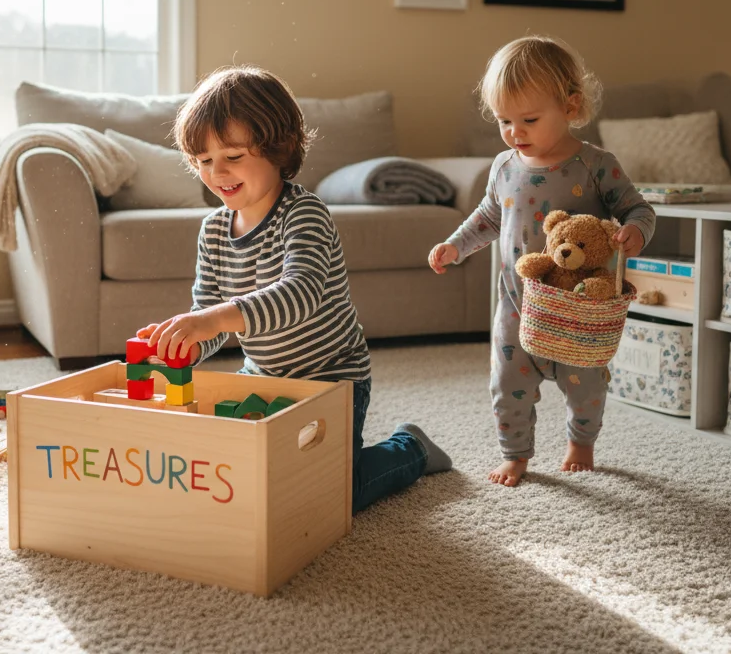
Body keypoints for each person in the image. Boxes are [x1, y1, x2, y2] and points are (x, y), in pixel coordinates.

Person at [139, 66, 453, 513]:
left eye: (232, 156)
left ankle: (411, 449)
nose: (217, 172)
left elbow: (299, 294)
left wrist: (211, 318)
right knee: (238, 476)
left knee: (328, 493)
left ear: (277, 150)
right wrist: (186, 347)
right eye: (204, 161)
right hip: (263, 378)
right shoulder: (212, 231)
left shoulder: (303, 213)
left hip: (333, 377)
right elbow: (209, 317)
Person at [428, 36, 656, 487]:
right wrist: (455, 246)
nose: (515, 132)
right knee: (507, 383)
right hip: (517, 303)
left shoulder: (596, 164)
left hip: (578, 305)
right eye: (504, 120)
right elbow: (489, 216)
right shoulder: (504, 166)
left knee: (585, 381)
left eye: (529, 119)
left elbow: (638, 208)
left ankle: (581, 441)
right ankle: (515, 454)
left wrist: (635, 232)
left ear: (570, 107)